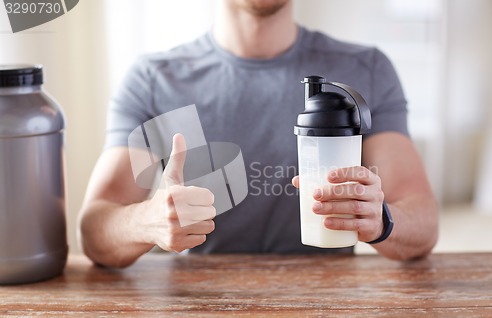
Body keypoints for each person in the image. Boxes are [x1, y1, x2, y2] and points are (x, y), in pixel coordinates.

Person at [78, 0, 439, 268]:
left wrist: (382, 219)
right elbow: (94, 230)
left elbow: (422, 220)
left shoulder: (366, 70)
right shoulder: (153, 80)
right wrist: (149, 221)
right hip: (204, 307)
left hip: (330, 305)